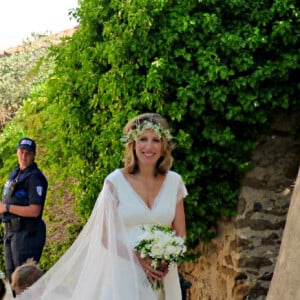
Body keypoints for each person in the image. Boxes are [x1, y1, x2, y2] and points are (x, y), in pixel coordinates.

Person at [16, 113, 187, 300]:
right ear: (132, 144)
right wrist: (137, 257)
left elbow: (180, 232)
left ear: (164, 146)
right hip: (124, 271)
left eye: (156, 140)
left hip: (164, 273)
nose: (149, 146)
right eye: (143, 139)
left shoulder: (174, 182)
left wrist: (164, 261)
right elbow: (105, 235)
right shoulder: (115, 182)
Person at [0, 137, 48, 297]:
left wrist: (6, 207)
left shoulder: (34, 177)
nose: (24, 155)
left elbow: (35, 210)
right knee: (14, 282)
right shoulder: (16, 174)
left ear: (34, 155)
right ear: (17, 153)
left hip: (26, 235)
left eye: (28, 153)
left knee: (26, 283)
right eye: (21, 151)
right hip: (10, 233)